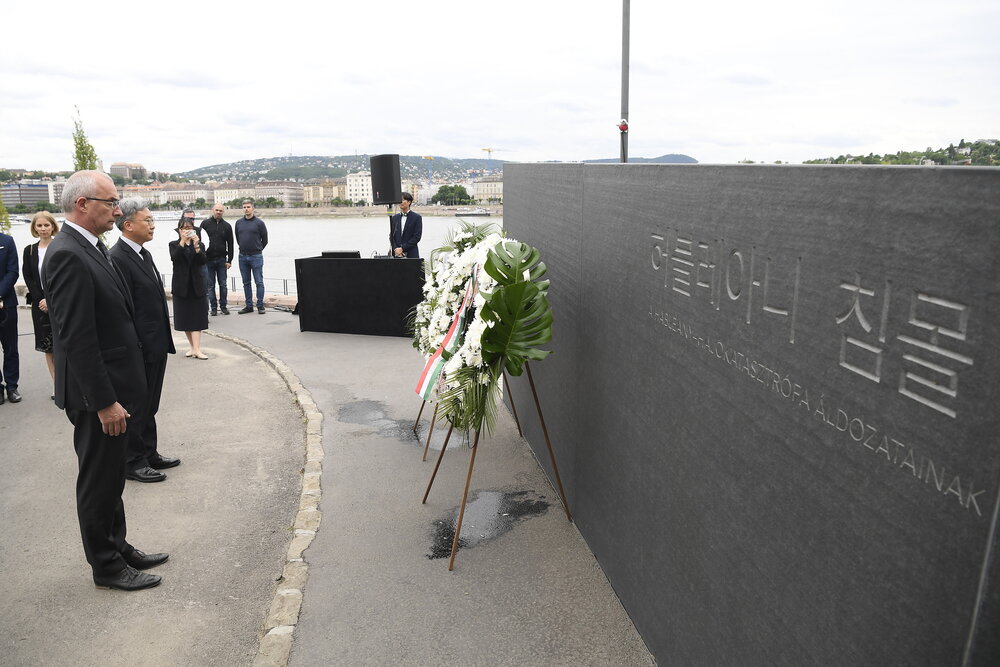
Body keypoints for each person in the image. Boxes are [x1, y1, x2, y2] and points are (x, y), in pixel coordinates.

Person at [42, 169, 166, 591]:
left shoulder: (90, 247)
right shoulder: (66, 253)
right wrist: (103, 401)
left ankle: (119, 547)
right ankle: (107, 567)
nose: (117, 208)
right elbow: (76, 337)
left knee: (113, 476)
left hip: (114, 389)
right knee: (98, 482)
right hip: (97, 396)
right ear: (82, 205)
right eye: (109, 202)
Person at [110, 198, 181, 483]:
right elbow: (124, 308)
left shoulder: (143, 254)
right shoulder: (118, 258)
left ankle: (148, 452)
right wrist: (136, 345)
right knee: (136, 405)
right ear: (128, 225)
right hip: (139, 346)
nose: (153, 225)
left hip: (155, 343)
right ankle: (133, 461)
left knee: (150, 403)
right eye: (147, 220)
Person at [21, 211, 58, 394]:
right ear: (34, 228)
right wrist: (41, 299)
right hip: (40, 305)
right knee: (48, 348)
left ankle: (69, 383)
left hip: (59, 302)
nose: (43, 229)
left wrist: (50, 299)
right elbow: (28, 277)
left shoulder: (60, 247)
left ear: (53, 226)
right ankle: (57, 385)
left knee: (64, 345)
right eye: (39, 226)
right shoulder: (29, 250)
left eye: (46, 225)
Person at [169, 213, 209, 358]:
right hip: (181, 285)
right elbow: (175, 257)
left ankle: (197, 349)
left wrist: (197, 245)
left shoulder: (200, 244)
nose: (187, 230)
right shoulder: (173, 244)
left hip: (196, 284)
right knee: (185, 318)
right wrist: (182, 241)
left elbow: (203, 261)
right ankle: (192, 347)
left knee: (197, 317)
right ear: (179, 230)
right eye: (184, 228)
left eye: (189, 228)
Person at [200, 203, 234, 316]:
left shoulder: (227, 226)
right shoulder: (205, 224)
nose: (218, 212)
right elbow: (200, 242)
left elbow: (230, 244)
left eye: (220, 210)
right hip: (208, 260)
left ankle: (223, 306)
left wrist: (230, 260)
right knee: (210, 285)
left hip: (221, 260)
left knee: (223, 284)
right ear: (212, 210)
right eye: (217, 210)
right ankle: (213, 308)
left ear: (223, 212)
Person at [235, 200, 268, 314]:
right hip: (242, 256)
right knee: (246, 282)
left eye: (248, 207)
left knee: (259, 281)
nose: (246, 209)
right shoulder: (238, 223)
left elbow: (265, 240)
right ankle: (249, 305)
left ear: (253, 208)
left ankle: (260, 305)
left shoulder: (259, 223)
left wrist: (257, 249)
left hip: (256, 256)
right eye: (244, 207)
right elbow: (238, 239)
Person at [0, 227, 19, 404]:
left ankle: (12, 386)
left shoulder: (7, 241)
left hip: (6, 303)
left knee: (11, 348)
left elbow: (13, 272)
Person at [390, 191, 422, 258]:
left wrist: (402, 248)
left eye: (403, 200)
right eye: (399, 200)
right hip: (396, 254)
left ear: (409, 202)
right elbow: (391, 236)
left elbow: (417, 237)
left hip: (411, 254)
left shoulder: (417, 218)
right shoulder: (395, 218)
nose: (400, 202)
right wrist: (396, 249)